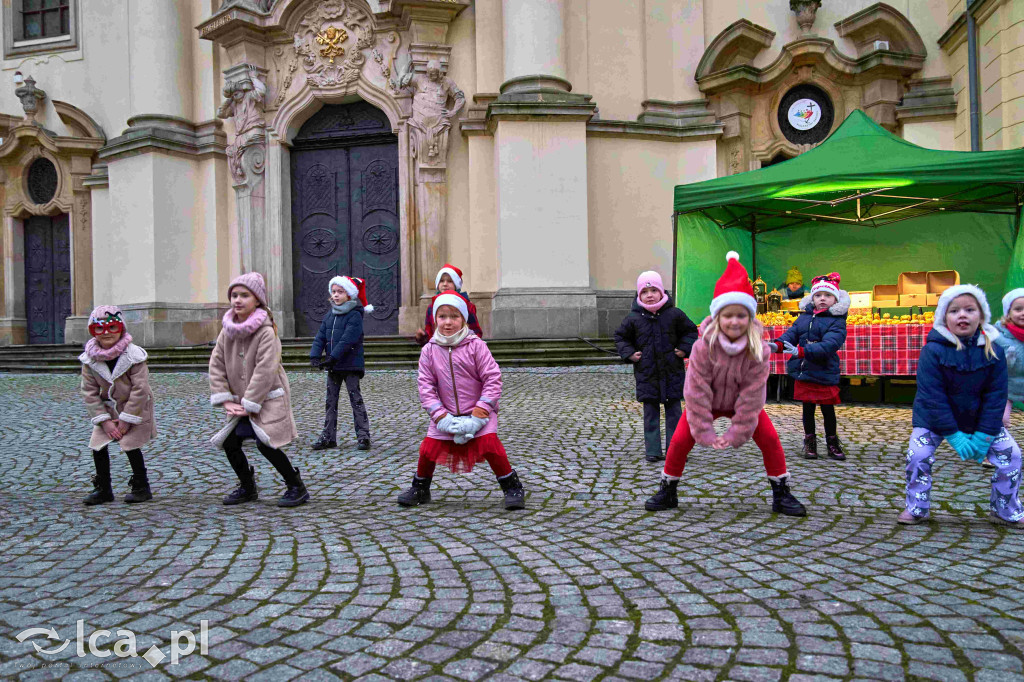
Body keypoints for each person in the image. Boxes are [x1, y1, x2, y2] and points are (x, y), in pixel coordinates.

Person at [645, 252, 807, 517]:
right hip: (706, 402)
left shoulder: (758, 350)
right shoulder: (701, 348)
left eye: (741, 316)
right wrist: (704, 431)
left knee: (769, 438)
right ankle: (668, 488)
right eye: (728, 315)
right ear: (718, 317)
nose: (734, 321)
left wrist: (737, 432)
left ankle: (781, 491)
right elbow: (695, 391)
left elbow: (753, 394)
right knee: (680, 440)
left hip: (740, 403)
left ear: (750, 318)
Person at [899, 285, 1022, 527]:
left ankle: (1005, 509)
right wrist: (954, 436)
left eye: (969, 310)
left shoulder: (994, 349)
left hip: (978, 419)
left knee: (1013, 456)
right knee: (918, 455)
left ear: (982, 316)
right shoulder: (932, 350)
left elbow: (996, 395)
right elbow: (932, 396)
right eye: (954, 311)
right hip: (933, 420)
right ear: (944, 317)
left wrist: (985, 435)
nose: (962, 315)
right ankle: (916, 507)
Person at [399, 291, 526, 510]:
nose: (448, 322)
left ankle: (511, 486)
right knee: (428, 448)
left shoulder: (476, 346)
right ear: (434, 319)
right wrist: (440, 416)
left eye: (454, 317)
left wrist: (481, 411)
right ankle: (420, 487)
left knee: (490, 445)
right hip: (446, 412)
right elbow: (426, 387)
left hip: (478, 411)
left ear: (464, 319)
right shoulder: (429, 350)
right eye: (442, 316)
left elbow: (492, 378)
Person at [209, 272, 309, 508]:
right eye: (234, 295)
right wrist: (225, 399)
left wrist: (249, 403)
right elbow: (216, 363)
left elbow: (266, 369)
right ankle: (247, 486)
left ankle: (296, 485)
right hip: (238, 402)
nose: (238, 300)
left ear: (257, 300)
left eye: (245, 295)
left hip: (266, 399)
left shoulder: (266, 331)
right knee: (230, 443)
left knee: (267, 443)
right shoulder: (227, 330)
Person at [614, 270, 699, 462]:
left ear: (662, 292)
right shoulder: (633, 318)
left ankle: (675, 450)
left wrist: (684, 349)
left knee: (674, 414)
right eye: (645, 292)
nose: (649, 295)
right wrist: (629, 353)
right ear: (639, 295)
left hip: (672, 373)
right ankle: (652, 450)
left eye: (654, 290)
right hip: (647, 374)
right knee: (650, 414)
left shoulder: (674, 314)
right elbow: (620, 337)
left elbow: (690, 332)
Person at [79, 306, 156, 505]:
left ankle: (141, 485)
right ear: (92, 331)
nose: (106, 333)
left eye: (112, 327)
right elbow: (89, 392)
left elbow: (141, 389)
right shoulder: (89, 360)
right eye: (100, 329)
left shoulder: (134, 356)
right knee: (98, 447)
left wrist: (126, 420)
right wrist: (104, 421)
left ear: (121, 328)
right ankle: (103, 488)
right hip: (107, 411)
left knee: (131, 445)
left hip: (134, 408)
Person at [772, 272, 849, 460]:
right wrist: (777, 345)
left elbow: (829, 345)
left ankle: (832, 442)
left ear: (835, 299)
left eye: (828, 295)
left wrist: (802, 351)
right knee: (808, 408)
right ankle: (810, 441)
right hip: (805, 370)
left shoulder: (837, 322)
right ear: (812, 298)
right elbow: (791, 335)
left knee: (827, 409)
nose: (822, 298)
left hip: (824, 371)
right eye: (818, 295)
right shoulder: (804, 319)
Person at [310, 275, 372, 451]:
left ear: (349, 294)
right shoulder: (330, 315)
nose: (336, 295)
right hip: (334, 366)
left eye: (340, 292)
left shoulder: (355, 315)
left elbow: (348, 339)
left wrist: (332, 357)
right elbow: (321, 336)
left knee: (355, 399)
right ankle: (328, 436)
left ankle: (363, 436)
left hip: (350, 364)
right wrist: (315, 355)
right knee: (331, 401)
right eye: (334, 292)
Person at [414, 264, 483, 346]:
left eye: (450, 281)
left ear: (456, 284)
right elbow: (430, 333)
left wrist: (471, 347)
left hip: (462, 349)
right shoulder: (431, 307)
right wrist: (422, 337)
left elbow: (475, 331)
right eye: (442, 281)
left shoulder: (467, 305)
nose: (445, 284)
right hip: (439, 350)